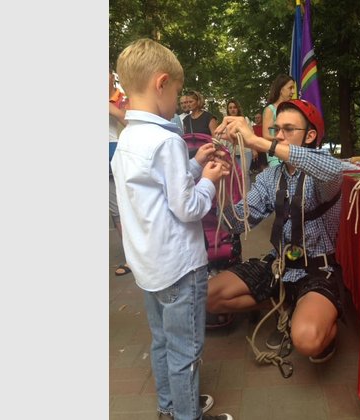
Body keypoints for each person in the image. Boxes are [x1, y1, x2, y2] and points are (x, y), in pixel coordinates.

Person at [111, 38, 233, 420]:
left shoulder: (128, 138)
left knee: (162, 341)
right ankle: (187, 415)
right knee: (186, 352)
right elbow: (188, 207)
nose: (178, 100)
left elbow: (159, 190)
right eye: (178, 92)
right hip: (180, 268)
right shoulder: (166, 140)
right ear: (161, 83)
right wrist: (210, 180)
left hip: (150, 267)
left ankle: (169, 406)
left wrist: (195, 164)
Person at [206, 99, 343, 364]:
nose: (279, 135)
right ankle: (284, 305)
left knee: (308, 339)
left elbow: (333, 171)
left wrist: (256, 141)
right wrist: (217, 185)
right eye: (276, 129)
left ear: (310, 136)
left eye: (288, 129)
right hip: (279, 264)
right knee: (209, 297)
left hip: (317, 269)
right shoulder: (270, 178)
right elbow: (237, 223)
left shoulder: (323, 169)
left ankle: (316, 320)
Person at [109, 70, 131, 277]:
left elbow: (130, 122)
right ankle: (130, 255)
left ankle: (133, 257)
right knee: (115, 210)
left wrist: (112, 109)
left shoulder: (122, 98)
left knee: (126, 206)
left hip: (117, 155)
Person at [262, 75, 295, 167]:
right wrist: (285, 138)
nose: (293, 92)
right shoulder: (270, 109)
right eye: (290, 88)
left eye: (293, 88)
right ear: (281, 89)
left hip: (290, 154)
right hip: (276, 156)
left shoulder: (290, 109)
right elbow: (266, 135)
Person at [226, 99, 255, 191]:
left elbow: (251, 135)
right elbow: (224, 140)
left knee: (244, 174)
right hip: (232, 152)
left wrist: (254, 150)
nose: (232, 109)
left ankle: (248, 196)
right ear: (228, 110)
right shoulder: (226, 122)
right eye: (230, 108)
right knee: (236, 175)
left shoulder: (244, 120)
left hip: (245, 150)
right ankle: (239, 196)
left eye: (234, 107)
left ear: (238, 108)